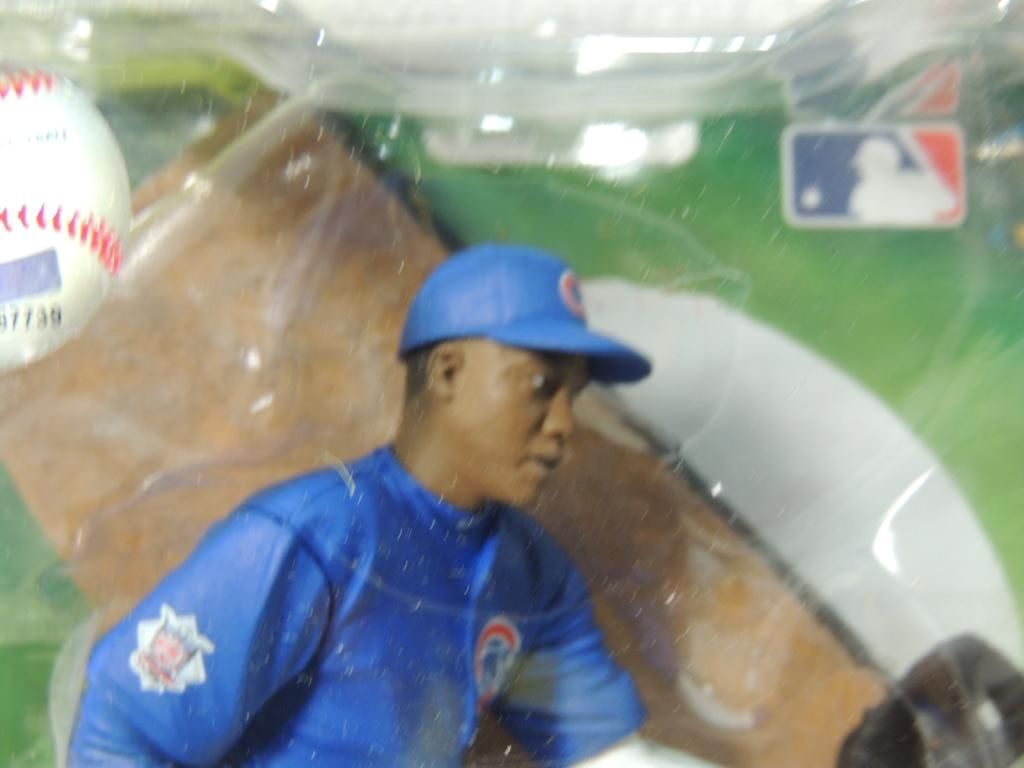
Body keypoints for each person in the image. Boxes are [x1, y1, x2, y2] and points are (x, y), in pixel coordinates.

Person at [68, 243, 718, 767]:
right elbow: (123, 730)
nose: (564, 425)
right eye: (541, 386)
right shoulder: (313, 534)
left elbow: (599, 751)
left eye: (572, 396)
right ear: (447, 372)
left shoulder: (532, 574)